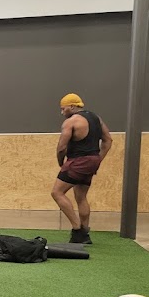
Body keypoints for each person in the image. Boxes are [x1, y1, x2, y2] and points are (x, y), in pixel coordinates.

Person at [51, 93, 113, 245]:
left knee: (57, 192)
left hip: (78, 161)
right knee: (81, 197)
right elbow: (108, 140)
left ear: (72, 106)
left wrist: (61, 162)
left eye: (63, 108)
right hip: (92, 160)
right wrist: (98, 159)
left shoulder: (71, 122)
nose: (62, 112)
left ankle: (77, 230)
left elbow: (61, 147)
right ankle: (85, 233)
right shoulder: (96, 118)